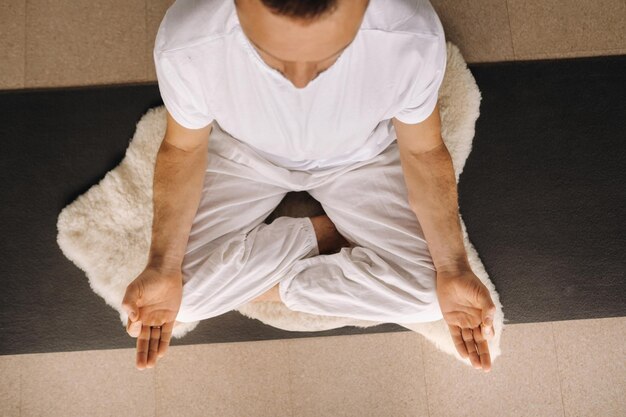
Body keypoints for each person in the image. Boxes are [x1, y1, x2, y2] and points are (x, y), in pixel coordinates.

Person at [122, 0, 497, 373]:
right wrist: (162, 263)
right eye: (273, 57)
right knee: (178, 300)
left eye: (325, 60)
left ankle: (275, 278)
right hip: (244, 156)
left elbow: (423, 150)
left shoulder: (408, 34)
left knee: (435, 294)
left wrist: (453, 265)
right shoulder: (189, 39)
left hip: (360, 158)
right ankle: (323, 236)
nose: (299, 81)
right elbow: (183, 149)